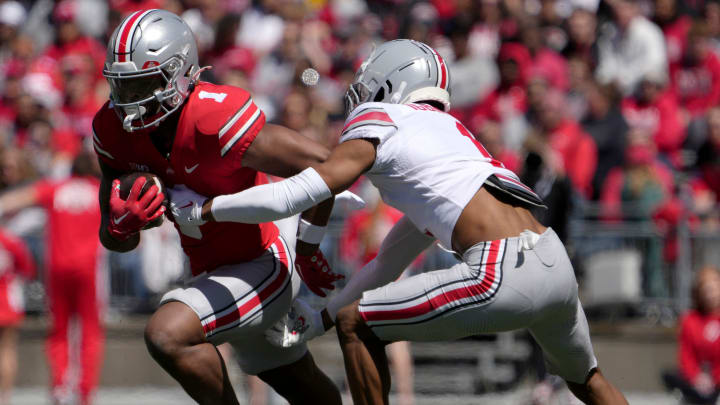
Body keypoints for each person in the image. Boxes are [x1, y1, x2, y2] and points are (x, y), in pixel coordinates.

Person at [169, 39, 629, 405]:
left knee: (359, 323)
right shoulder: (448, 142)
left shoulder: (381, 117)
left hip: (503, 270)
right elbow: (391, 256)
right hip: (553, 262)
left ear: (388, 84)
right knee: (588, 381)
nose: (359, 95)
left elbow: (304, 188)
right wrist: (317, 319)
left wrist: (208, 210)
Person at [92, 9, 343, 405]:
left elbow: (325, 167)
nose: (129, 104)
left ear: (179, 74)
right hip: (210, 272)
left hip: (263, 260)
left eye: (142, 86)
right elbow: (113, 240)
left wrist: (308, 251)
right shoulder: (113, 130)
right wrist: (122, 227)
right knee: (302, 385)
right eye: (122, 88)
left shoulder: (214, 115)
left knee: (166, 334)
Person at [0, 152, 103, 405]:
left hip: (58, 268)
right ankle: (85, 391)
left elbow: (15, 200)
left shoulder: (56, 188)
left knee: (59, 330)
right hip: (90, 270)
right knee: (89, 331)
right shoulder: (100, 191)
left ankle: (59, 385)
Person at [663, 266, 720, 404]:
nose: (710, 294)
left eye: (713, 288)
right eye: (706, 289)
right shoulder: (690, 320)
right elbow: (686, 355)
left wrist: (715, 378)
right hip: (698, 382)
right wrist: (696, 377)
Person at [0, 228, 34, 405]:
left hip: (7, 300)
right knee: (7, 350)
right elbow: (27, 270)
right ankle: (5, 398)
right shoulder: (10, 241)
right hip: (7, 302)